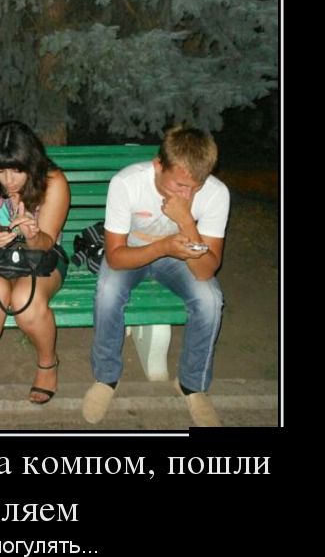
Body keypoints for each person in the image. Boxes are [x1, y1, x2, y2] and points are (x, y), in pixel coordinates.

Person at [82, 124, 230, 428]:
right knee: (108, 292)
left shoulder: (216, 193)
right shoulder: (127, 183)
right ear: (158, 165)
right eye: (180, 185)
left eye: (195, 187)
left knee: (210, 300)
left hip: (180, 257)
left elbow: (205, 269)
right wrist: (162, 246)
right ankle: (106, 378)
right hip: (133, 251)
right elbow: (116, 257)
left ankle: (192, 385)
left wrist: (186, 221)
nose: (187, 194)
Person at [0, 121, 70, 415]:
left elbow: (47, 242)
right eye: (0, 171)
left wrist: (32, 235)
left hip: (42, 256)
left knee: (27, 301)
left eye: (16, 170)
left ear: (31, 163)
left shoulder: (53, 182)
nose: (9, 180)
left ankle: (48, 363)